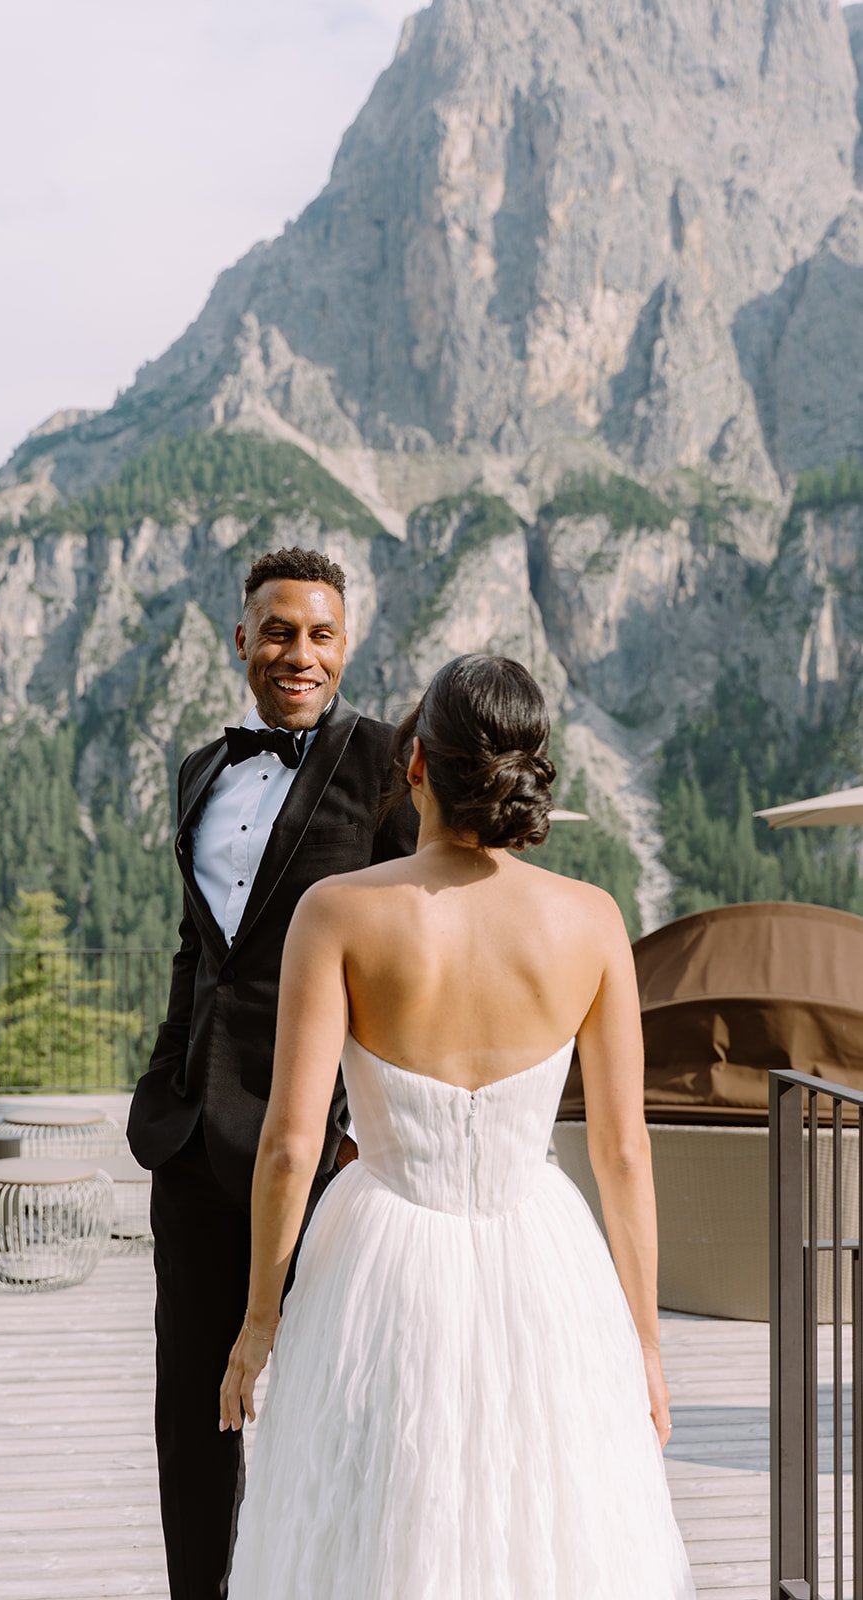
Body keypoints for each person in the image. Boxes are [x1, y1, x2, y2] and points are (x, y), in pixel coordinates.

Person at [220, 653, 696, 1599]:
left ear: (414, 767)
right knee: (546, 1526)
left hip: (378, 1257)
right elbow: (622, 1152)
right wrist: (643, 1340)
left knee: (377, 1520)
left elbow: (288, 1146)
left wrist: (257, 1323)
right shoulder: (593, 920)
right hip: (545, 1258)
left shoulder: (340, 913)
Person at [126, 546, 418, 1600]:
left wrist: (361, 1115)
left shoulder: (391, 762)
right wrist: (169, 1069)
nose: (300, 651)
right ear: (241, 638)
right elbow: (196, 945)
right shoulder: (199, 766)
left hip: (329, 1156)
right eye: (280, 630)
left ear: (347, 646)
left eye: (321, 633)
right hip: (190, 1144)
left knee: (334, 1411)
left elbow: (415, 951)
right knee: (190, 1413)